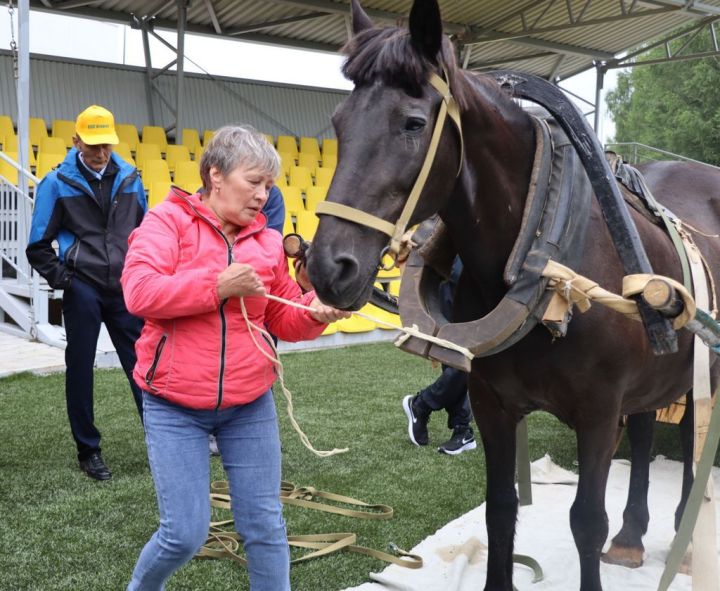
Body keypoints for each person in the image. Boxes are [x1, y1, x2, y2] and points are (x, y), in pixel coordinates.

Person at [121, 125, 349, 591]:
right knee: (183, 535)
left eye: (269, 185)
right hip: (174, 407)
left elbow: (283, 317)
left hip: (250, 404)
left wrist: (316, 311)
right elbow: (139, 292)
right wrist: (218, 287)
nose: (263, 195)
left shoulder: (266, 242)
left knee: (265, 528)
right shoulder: (166, 222)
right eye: (254, 182)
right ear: (215, 175)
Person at [26, 105, 147, 481]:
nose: (100, 152)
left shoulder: (131, 179)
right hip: (83, 289)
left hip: (127, 287)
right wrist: (67, 280)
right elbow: (37, 247)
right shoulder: (56, 183)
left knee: (146, 366)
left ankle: (163, 439)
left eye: (106, 144)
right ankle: (88, 450)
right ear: (76, 140)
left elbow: (145, 234)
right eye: (93, 144)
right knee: (80, 368)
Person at [402, 257, 477, 455]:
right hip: (456, 273)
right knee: (462, 358)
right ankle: (460, 428)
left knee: (464, 358)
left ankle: (424, 405)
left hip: (477, 274)